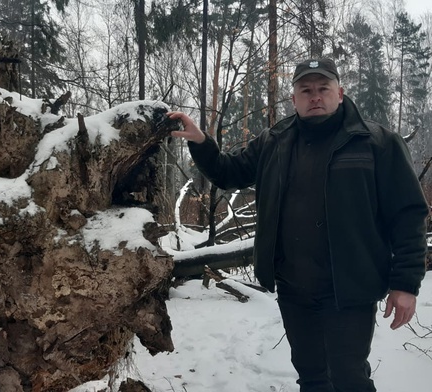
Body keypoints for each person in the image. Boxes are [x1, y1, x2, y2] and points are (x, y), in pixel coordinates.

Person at [168, 58, 429, 392]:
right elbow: (227, 172)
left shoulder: (376, 143)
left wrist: (405, 283)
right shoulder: (274, 141)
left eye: (323, 88)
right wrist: (200, 142)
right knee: (312, 377)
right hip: (294, 288)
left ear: (340, 92)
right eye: (306, 90)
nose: (315, 96)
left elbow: (408, 214)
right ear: (294, 99)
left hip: (350, 288)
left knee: (348, 378)